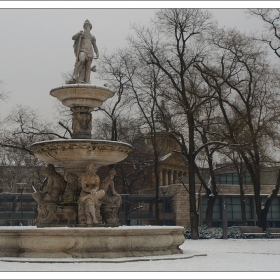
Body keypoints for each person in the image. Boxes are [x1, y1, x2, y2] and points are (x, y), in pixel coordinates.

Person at [71, 19, 99, 84]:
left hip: (90, 52)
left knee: (88, 66)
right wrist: (78, 33)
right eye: (85, 26)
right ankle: (75, 75)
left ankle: (86, 80)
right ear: (84, 27)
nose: (86, 27)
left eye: (88, 26)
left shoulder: (92, 37)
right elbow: (73, 38)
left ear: (90, 27)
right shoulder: (81, 34)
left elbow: (95, 46)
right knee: (82, 61)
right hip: (82, 50)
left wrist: (97, 53)